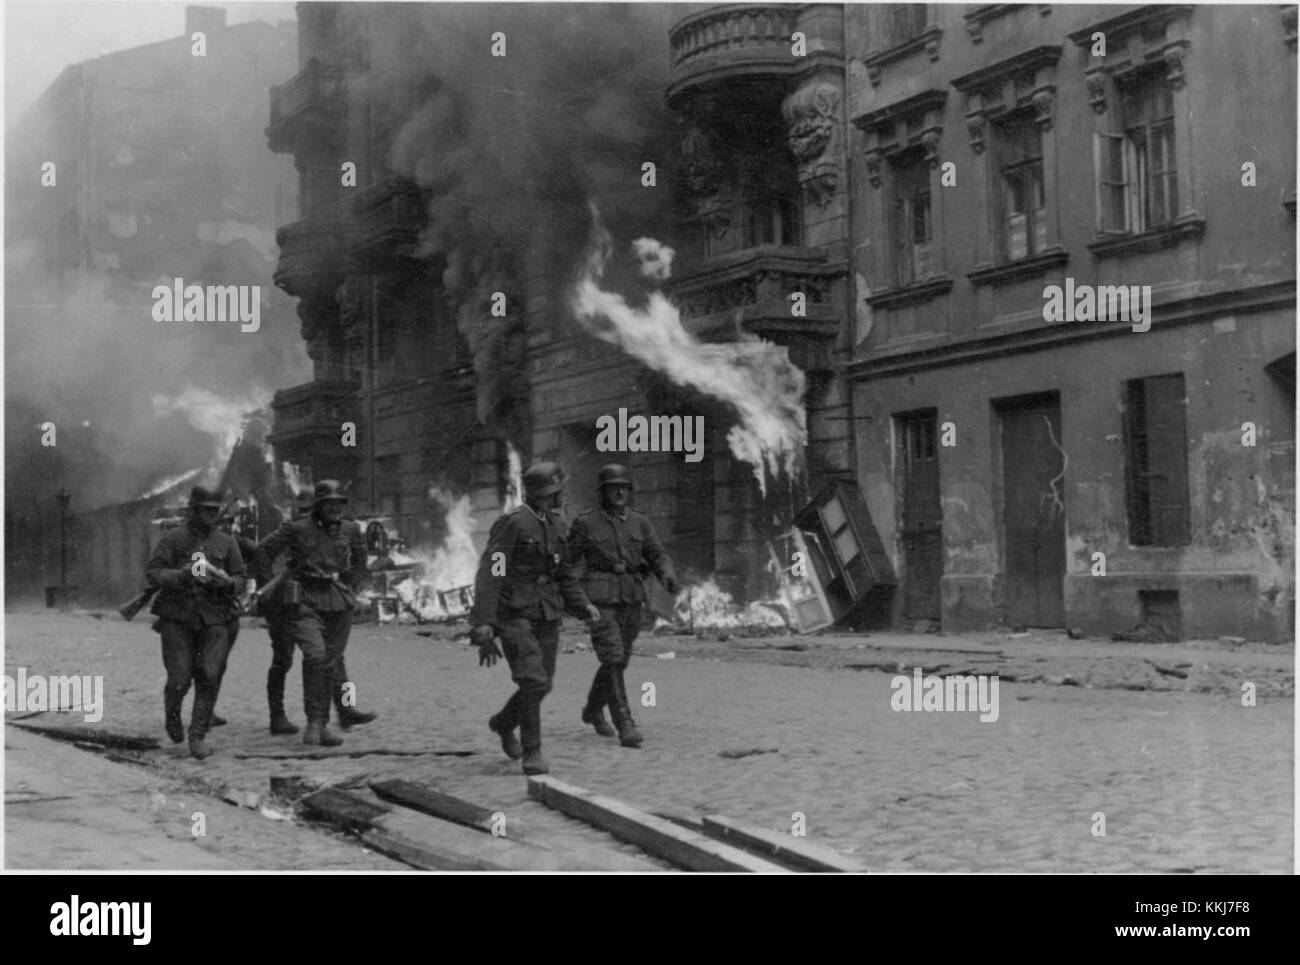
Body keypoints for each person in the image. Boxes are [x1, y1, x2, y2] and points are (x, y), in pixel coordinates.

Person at [470, 460, 597, 775]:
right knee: (533, 680)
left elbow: (564, 574)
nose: (561, 495)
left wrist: (584, 606)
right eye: (557, 490)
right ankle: (533, 751)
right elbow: (491, 572)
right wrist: (484, 621)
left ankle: (503, 722)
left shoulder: (557, 524)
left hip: (547, 612)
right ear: (544, 493)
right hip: (513, 613)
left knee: (544, 683)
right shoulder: (511, 523)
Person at [567, 463, 679, 748]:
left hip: (631, 597)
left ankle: (593, 709)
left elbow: (657, 553)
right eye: (612, 487)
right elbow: (567, 565)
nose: (619, 492)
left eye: (623, 487)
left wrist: (666, 573)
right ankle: (625, 724)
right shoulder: (585, 523)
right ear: (602, 491)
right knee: (613, 657)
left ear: (629, 491)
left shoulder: (640, 522)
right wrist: (576, 600)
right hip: (600, 599)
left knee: (620, 660)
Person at [255, 479, 370, 747]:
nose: (335, 509)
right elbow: (263, 551)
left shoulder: (352, 529)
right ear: (318, 506)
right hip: (304, 599)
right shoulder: (295, 529)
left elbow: (361, 561)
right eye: (328, 504)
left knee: (331, 662)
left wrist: (352, 585)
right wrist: (270, 588)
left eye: (339, 503)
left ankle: (323, 723)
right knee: (315, 656)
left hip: (338, 600)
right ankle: (309, 721)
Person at [144, 486, 246, 759]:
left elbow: (241, 578)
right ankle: (173, 712)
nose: (211, 515)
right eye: (205, 510)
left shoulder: (227, 542)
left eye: (214, 510)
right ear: (193, 510)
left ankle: (197, 735)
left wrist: (227, 583)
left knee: (210, 675)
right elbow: (153, 573)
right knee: (179, 678)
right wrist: (181, 575)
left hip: (216, 616)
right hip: (178, 615)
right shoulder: (173, 539)